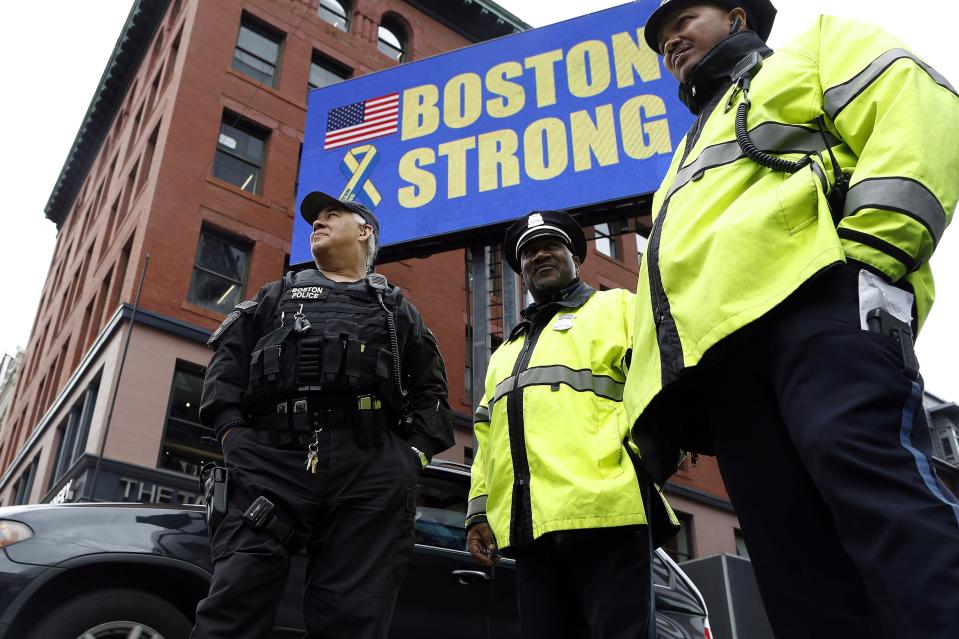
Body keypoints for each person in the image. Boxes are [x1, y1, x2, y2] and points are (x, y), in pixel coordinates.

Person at [626, 1, 959, 638]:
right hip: (727, 370)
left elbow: (915, 101)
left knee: (881, 500)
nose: (670, 42)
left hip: (820, 309)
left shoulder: (814, 50)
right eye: (662, 40)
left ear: (736, 15)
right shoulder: (686, 151)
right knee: (792, 564)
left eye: (683, 22)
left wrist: (877, 254)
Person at [191, 191, 453, 639]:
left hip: (367, 472)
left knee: (352, 619)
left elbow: (431, 394)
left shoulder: (397, 310)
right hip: (270, 465)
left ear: (365, 231)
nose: (318, 222)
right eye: (315, 218)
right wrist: (233, 436)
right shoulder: (274, 296)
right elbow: (225, 369)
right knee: (234, 603)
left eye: (334, 215)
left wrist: (410, 458)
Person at [466, 210, 678, 639]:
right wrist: (477, 514)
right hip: (530, 530)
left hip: (605, 515)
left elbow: (660, 380)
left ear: (574, 258)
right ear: (521, 271)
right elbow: (487, 442)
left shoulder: (617, 306)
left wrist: (642, 464)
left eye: (550, 246)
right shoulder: (506, 351)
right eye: (528, 252)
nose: (539, 255)